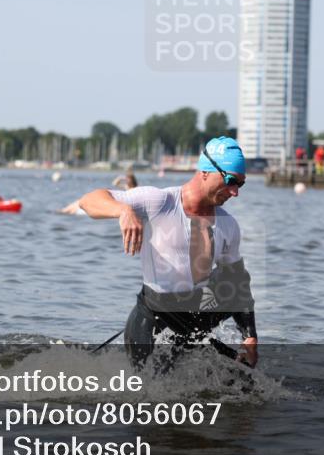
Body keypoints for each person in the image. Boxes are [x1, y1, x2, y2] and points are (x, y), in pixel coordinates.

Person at [78, 136, 258, 369]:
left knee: (247, 383)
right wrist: (123, 211)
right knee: (153, 397)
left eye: (240, 184)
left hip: (191, 324)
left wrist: (249, 335)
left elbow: (238, 282)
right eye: (231, 180)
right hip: (151, 323)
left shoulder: (228, 226)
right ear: (205, 171)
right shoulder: (160, 202)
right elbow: (88, 201)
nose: (235, 192)